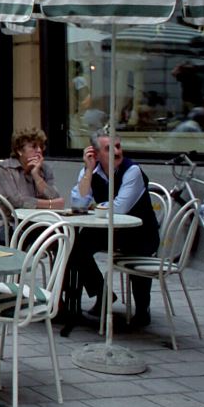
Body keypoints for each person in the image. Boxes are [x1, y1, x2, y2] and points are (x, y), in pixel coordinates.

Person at [68, 131, 160, 328]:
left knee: (136, 256)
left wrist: (96, 207)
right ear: (95, 153)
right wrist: (88, 170)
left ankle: (143, 311)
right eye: (110, 148)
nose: (117, 152)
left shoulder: (132, 171)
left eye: (118, 146)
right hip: (109, 230)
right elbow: (78, 203)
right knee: (74, 246)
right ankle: (103, 295)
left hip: (139, 232)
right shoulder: (90, 171)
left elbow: (120, 209)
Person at [0, 128, 62, 212]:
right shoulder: (4, 169)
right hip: (5, 221)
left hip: (35, 220)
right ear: (19, 150)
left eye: (41, 147)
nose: (39, 150)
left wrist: (36, 176)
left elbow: (55, 198)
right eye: (34, 147)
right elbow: (16, 201)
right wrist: (50, 204)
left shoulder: (44, 169)